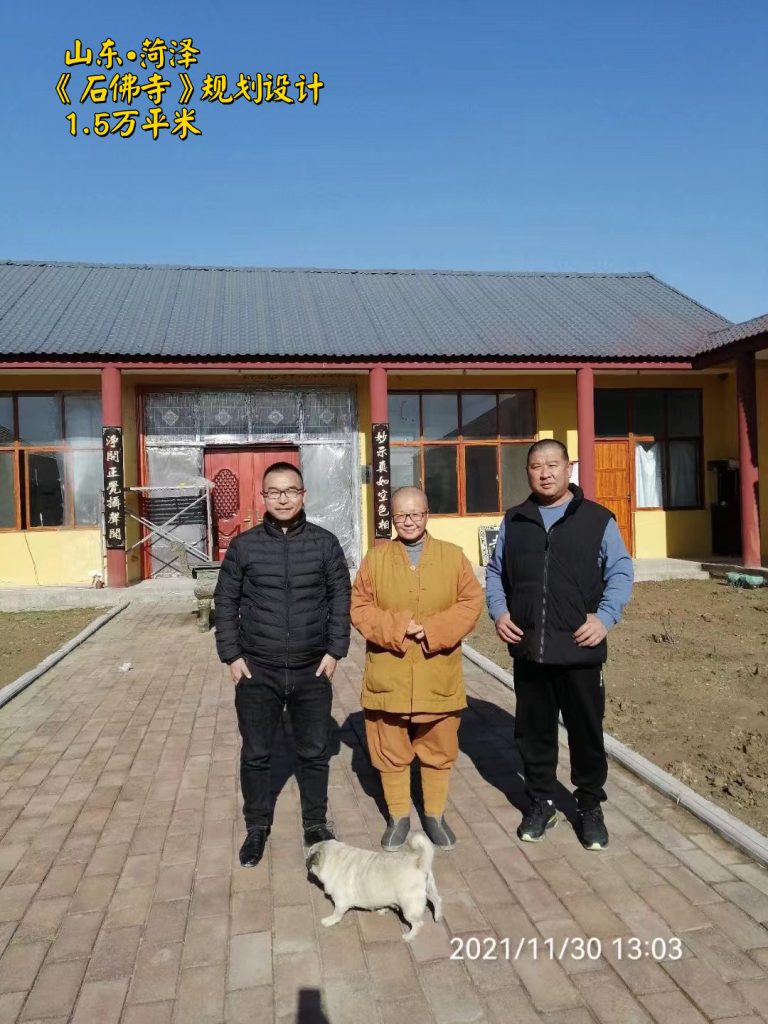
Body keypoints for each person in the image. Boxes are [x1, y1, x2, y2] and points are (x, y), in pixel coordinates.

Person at [485, 440, 633, 850]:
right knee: (532, 733)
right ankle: (542, 800)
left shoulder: (597, 519)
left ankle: (588, 806)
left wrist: (604, 618)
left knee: (586, 732)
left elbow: (621, 572)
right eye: (536, 466)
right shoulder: (516, 520)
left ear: (570, 468)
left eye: (553, 464)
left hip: (580, 650)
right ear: (527, 472)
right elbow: (496, 572)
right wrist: (499, 612)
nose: (545, 472)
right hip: (530, 648)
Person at [214, 461, 351, 867]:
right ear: (264, 497)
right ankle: (257, 826)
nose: (283, 498)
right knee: (257, 752)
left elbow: (340, 598)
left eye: (291, 490)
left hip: (312, 669)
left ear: (304, 494)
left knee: (313, 752)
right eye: (274, 492)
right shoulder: (245, 546)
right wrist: (232, 655)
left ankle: (315, 823)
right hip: (259, 669)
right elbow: (226, 601)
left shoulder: (325, 543)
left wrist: (334, 650)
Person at [351, 486, 484, 851]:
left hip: (436, 669)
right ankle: (398, 816)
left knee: (438, 746)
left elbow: (471, 601)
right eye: (401, 515)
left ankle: (435, 815)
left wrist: (434, 630)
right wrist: (398, 627)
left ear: (428, 514)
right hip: (388, 672)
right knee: (389, 747)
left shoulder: (452, 557)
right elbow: (359, 607)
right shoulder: (375, 560)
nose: (409, 521)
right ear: (391, 518)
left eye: (416, 514)